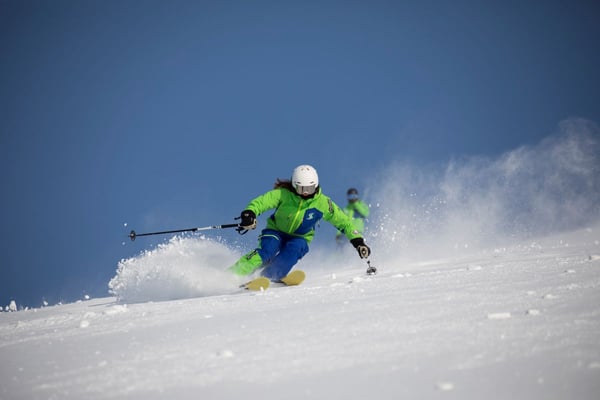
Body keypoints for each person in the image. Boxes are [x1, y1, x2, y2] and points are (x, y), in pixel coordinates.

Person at [229, 165, 371, 281]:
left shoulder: (323, 203)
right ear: (293, 185)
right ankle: (234, 275)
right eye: (300, 188)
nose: (304, 193)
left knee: (294, 250)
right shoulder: (284, 194)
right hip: (276, 231)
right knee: (267, 251)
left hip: (300, 237)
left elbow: (344, 222)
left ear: (315, 186)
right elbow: (262, 202)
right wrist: (250, 213)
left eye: (308, 189)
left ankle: (268, 277)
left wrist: (358, 242)